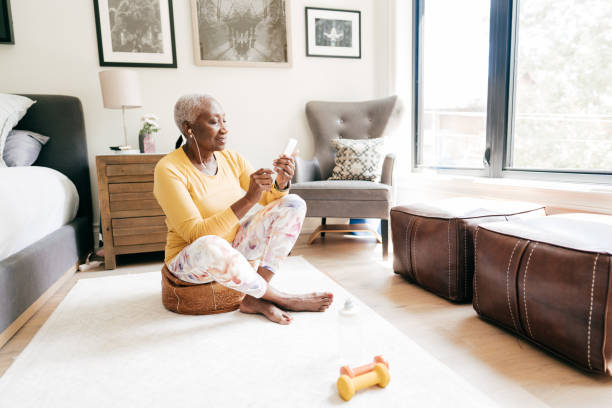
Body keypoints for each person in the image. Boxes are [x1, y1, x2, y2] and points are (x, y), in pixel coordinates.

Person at [153, 94, 333, 324]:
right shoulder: (168, 169)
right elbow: (196, 235)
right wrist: (248, 199)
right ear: (189, 128)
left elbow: (270, 199)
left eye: (224, 121)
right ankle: (278, 297)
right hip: (191, 258)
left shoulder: (231, 158)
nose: (224, 129)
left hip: (234, 247)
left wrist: (281, 181)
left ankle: (254, 297)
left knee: (293, 203)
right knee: (211, 243)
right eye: (214, 122)